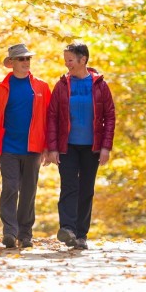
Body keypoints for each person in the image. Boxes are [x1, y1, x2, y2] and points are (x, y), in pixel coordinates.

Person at [46, 42, 115, 250]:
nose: (67, 64)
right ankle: (67, 229)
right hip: (67, 146)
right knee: (69, 186)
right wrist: (53, 147)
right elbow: (52, 117)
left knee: (86, 189)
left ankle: (81, 235)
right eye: (65, 60)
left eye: (70, 60)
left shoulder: (100, 85)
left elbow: (109, 117)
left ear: (83, 60)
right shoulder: (62, 85)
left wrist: (106, 147)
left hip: (91, 147)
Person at [0, 43, 51, 249]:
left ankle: (25, 234)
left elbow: (49, 119)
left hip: (33, 148)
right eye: (21, 59)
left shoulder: (41, 87)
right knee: (10, 188)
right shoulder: (0, 89)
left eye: (28, 59)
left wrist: (48, 147)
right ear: (12, 63)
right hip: (8, 148)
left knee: (28, 191)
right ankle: (9, 231)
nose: (26, 62)